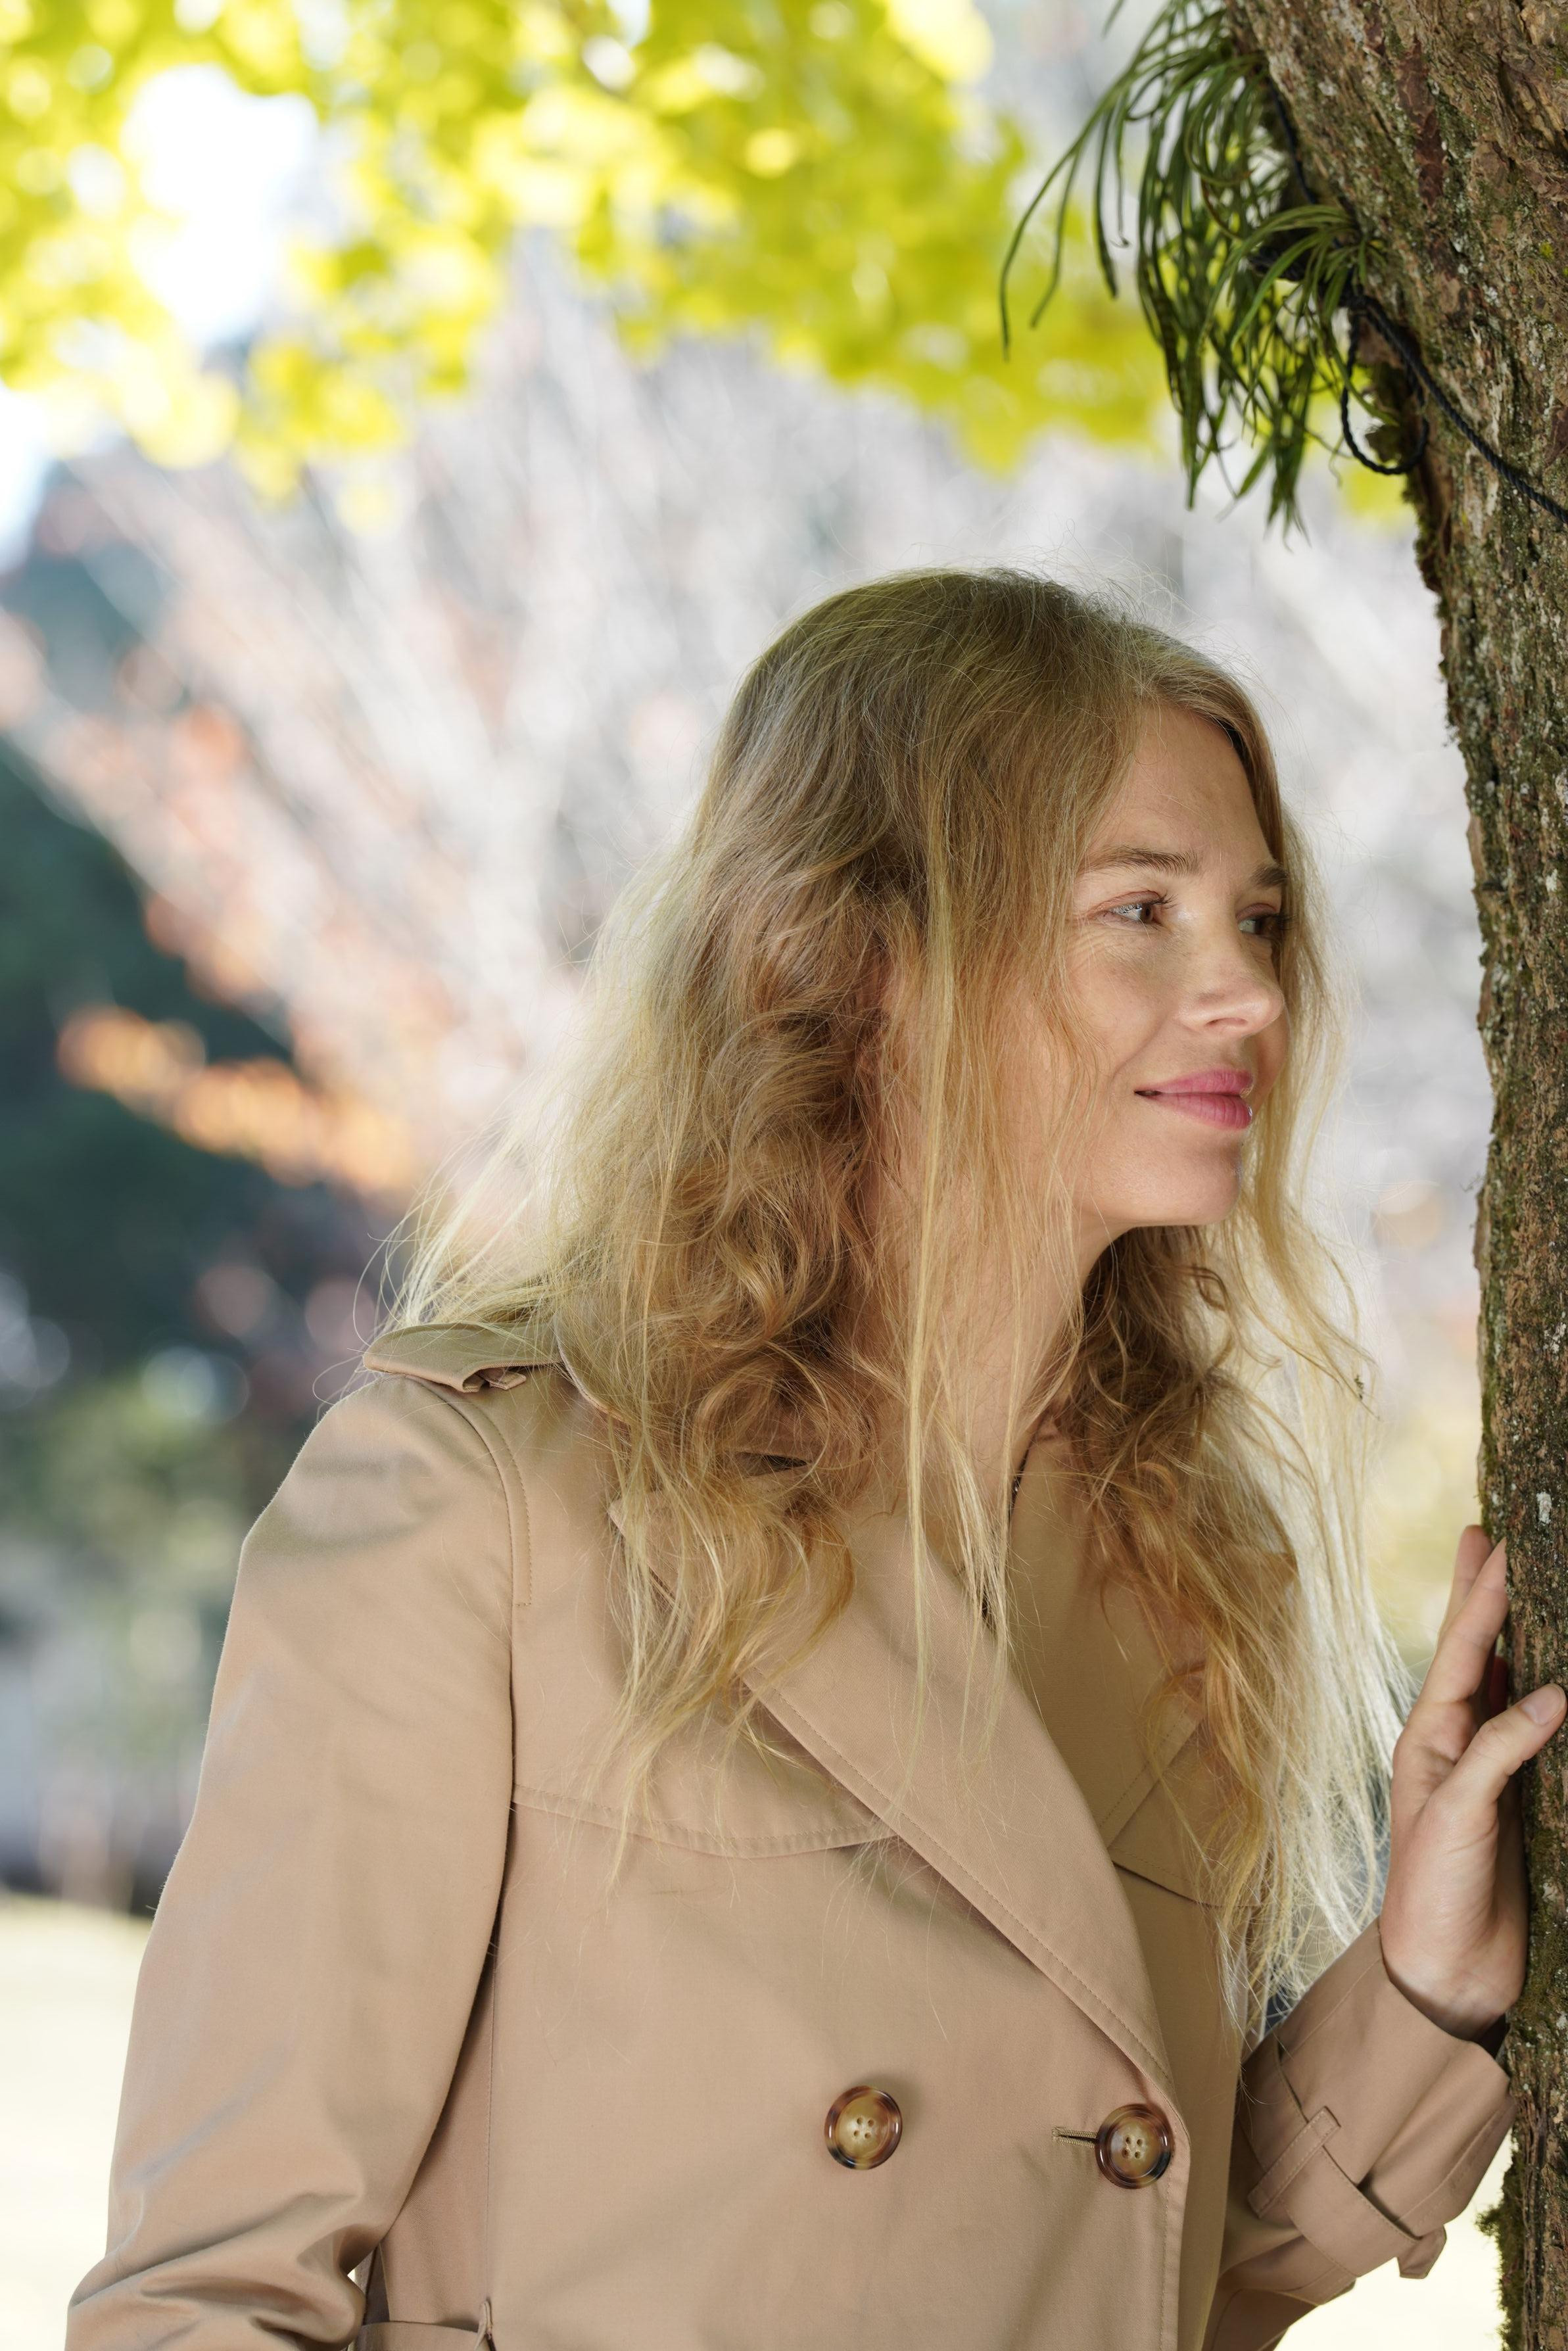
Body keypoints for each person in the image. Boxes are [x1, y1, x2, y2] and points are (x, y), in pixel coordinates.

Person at [66, 568, 1556, 2351]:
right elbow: (206, 2299)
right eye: (1137, 912)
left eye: (1256, 918)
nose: (1243, 991)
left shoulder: (1172, 1559)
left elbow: (1125, 2272)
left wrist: (1421, 1988)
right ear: (860, 961)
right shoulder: (483, 1505)